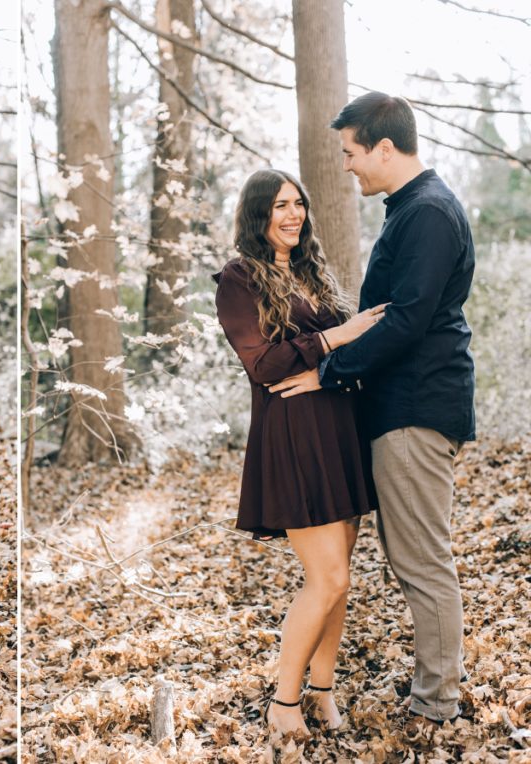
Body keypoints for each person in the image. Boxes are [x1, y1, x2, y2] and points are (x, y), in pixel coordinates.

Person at [270, 92, 476, 732]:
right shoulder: (411, 210)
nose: (348, 166)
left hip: (417, 409)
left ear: (385, 148)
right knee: (414, 558)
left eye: (352, 153)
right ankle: (432, 694)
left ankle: (436, 706)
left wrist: (328, 372)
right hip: (401, 407)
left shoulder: (429, 215)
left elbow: (407, 321)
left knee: (421, 562)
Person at [214, 169, 385, 738]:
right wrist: (338, 336)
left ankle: (322, 690)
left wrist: (334, 352)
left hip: (340, 428)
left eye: (298, 205)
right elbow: (262, 366)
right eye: (279, 206)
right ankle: (283, 703)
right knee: (328, 578)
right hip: (293, 435)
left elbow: (338, 353)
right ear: (257, 214)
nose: (292, 215)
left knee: (342, 579)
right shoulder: (239, 279)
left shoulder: (313, 272)